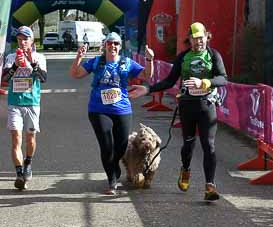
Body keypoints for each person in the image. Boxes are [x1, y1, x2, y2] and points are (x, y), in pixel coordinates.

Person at [147, 22, 228, 202]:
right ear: (189, 40)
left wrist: (205, 83)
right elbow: (169, 81)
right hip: (187, 106)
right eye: (195, 38)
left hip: (207, 105)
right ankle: (185, 169)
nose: (199, 41)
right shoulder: (183, 57)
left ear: (207, 37)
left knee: (209, 145)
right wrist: (148, 89)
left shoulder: (213, 55)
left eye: (201, 37)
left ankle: (210, 185)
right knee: (188, 144)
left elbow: (223, 79)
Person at [69, 31, 148, 195]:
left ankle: (114, 166)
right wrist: (78, 58)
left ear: (120, 47)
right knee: (106, 146)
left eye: (116, 43)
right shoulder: (96, 62)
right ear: (105, 46)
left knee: (121, 146)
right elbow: (75, 74)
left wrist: (150, 60)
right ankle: (112, 180)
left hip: (122, 109)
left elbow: (147, 75)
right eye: (109, 43)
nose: (113, 46)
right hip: (98, 109)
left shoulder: (127, 62)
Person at [2, 26, 48, 190]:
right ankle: (19, 174)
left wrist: (31, 62)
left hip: (32, 103)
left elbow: (43, 78)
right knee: (16, 138)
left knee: (30, 139)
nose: (22, 42)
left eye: (25, 39)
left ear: (32, 40)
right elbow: (5, 79)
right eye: (19, 39)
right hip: (14, 103)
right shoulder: (11, 57)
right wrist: (15, 65)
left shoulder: (39, 57)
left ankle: (28, 162)